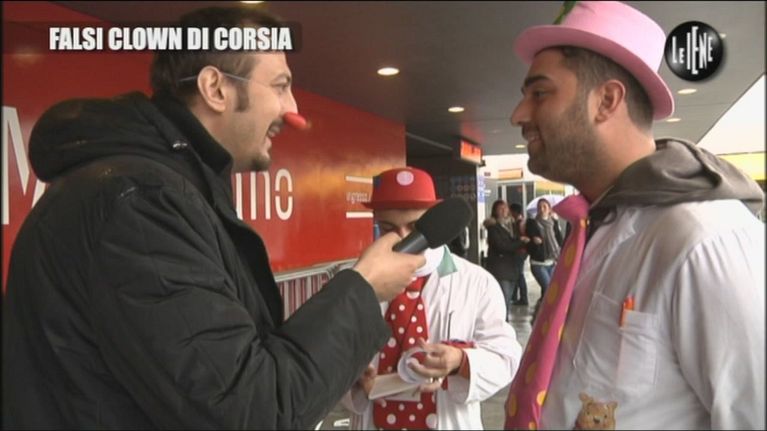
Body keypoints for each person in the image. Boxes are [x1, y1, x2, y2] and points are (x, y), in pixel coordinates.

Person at [2, 7, 426, 430]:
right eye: (280, 87)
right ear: (215, 88)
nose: (292, 108)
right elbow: (249, 412)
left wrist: (335, 346)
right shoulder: (141, 205)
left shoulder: (151, 191)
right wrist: (364, 288)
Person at [504, 1, 765, 430]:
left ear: (606, 100)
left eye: (540, 93)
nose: (519, 114)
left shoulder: (705, 239)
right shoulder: (591, 227)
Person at [343, 167, 522, 429]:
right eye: (389, 228)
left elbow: (505, 358)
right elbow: (329, 359)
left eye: (415, 227)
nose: (404, 239)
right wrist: (351, 378)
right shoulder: (355, 283)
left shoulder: (477, 282)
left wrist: (460, 362)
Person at [484, 200, 530, 317]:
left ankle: (504, 321)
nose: (504, 210)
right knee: (503, 301)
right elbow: (502, 246)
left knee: (507, 301)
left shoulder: (511, 225)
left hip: (512, 268)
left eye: (505, 208)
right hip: (500, 269)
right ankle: (501, 323)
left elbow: (512, 241)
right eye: (500, 208)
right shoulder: (493, 227)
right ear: (495, 211)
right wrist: (520, 242)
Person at [525, 198, 564, 321]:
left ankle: (541, 316)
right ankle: (543, 315)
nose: (542, 209)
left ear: (549, 209)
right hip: (538, 263)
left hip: (552, 262)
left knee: (547, 292)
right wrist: (534, 241)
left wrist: (556, 223)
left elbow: (560, 240)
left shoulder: (553, 222)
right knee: (549, 289)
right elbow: (529, 243)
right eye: (540, 207)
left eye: (544, 207)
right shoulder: (532, 223)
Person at [507, 202, 530, 305]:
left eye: (511, 211)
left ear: (515, 212)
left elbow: (520, 237)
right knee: (518, 274)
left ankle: (523, 298)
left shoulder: (520, 223)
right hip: (521, 251)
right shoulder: (520, 221)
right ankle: (516, 296)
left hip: (519, 252)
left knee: (519, 274)